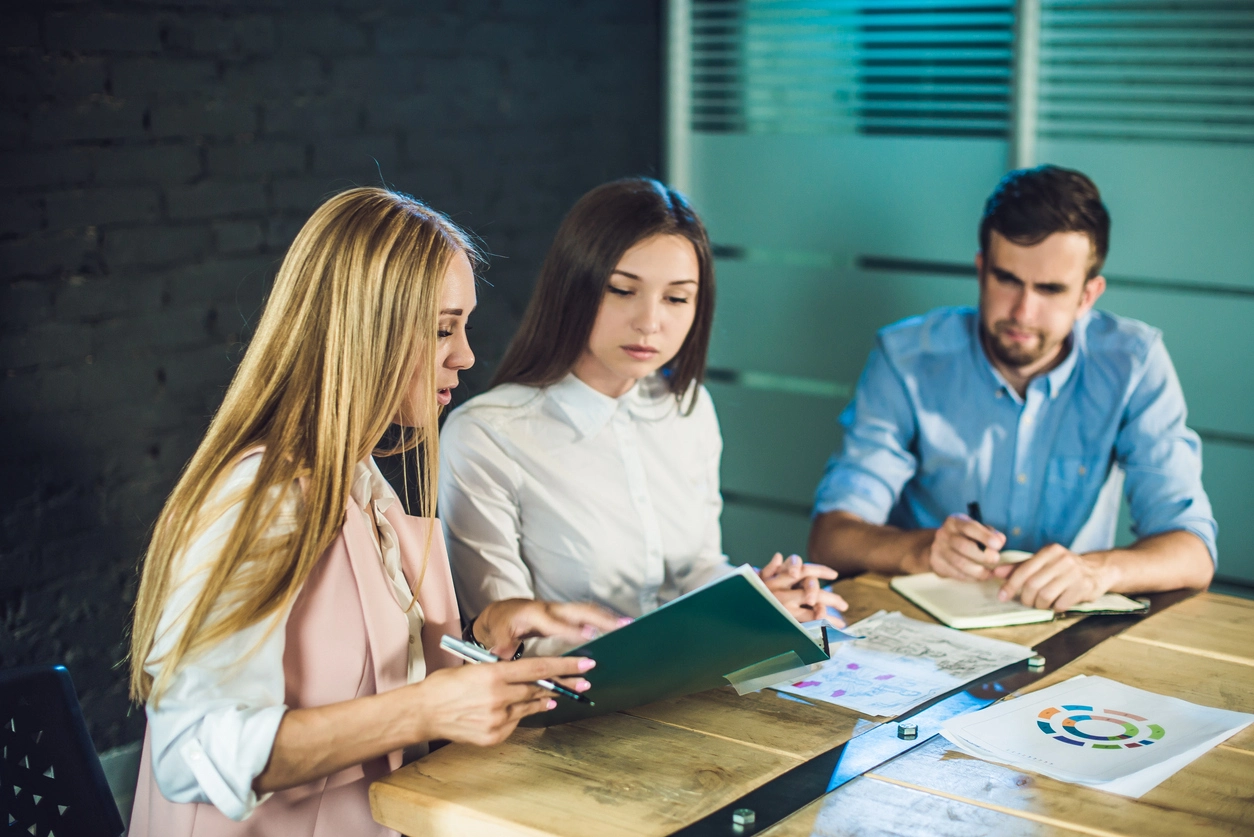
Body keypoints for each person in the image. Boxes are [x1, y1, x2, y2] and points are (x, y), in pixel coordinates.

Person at [127, 188, 623, 835]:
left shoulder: (362, 481)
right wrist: (423, 710)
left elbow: (358, 674)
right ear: (365, 330)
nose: (466, 355)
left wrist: (482, 636)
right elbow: (187, 751)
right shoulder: (260, 498)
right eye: (443, 328)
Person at [439, 177, 847, 652]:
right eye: (622, 290)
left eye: (676, 298)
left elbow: (695, 570)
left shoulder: (686, 407)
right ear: (574, 287)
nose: (650, 322)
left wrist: (757, 594)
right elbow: (508, 638)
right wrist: (701, 630)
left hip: (695, 682)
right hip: (571, 709)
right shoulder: (486, 436)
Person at [808, 165, 1216, 612]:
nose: (1023, 311)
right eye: (1008, 280)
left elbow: (1193, 551)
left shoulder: (1134, 364)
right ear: (982, 271)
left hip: (1067, 627)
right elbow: (831, 538)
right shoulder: (906, 357)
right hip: (921, 621)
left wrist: (1098, 570)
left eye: (1050, 289)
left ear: (1087, 296)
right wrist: (919, 550)